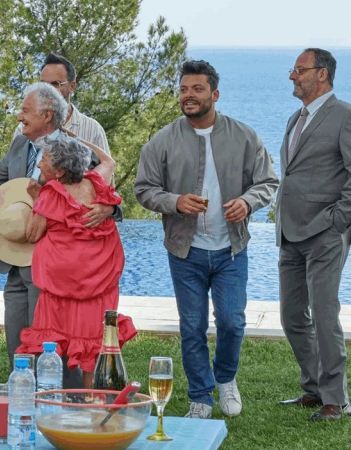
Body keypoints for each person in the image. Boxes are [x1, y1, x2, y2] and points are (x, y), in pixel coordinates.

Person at [0, 82, 115, 362]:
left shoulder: (72, 150)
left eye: (26, 110)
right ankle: (21, 393)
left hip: (51, 265)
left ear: (47, 115)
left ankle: (53, 397)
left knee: (49, 341)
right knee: (16, 339)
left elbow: (101, 193)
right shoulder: (20, 144)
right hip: (14, 256)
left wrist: (109, 211)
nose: (19, 116)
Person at [136, 60, 278, 418]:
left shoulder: (244, 136)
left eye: (197, 89)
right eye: (183, 89)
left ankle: (226, 379)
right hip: (186, 252)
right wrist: (174, 201)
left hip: (231, 249)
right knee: (192, 326)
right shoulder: (163, 140)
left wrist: (247, 202)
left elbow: (268, 183)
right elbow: (144, 189)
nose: (188, 96)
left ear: (214, 94)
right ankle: (200, 397)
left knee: (233, 321)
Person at [17, 136, 136, 387]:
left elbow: (32, 234)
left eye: (45, 161)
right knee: (94, 346)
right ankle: (94, 405)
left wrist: (35, 199)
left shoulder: (51, 194)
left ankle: (55, 404)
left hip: (60, 287)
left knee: (51, 348)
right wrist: (77, 143)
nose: (39, 166)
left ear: (59, 172)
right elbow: (108, 161)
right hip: (99, 283)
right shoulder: (97, 183)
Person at [275, 48, 351, 421]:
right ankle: (313, 388)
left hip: (325, 232)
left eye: (299, 70)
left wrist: (339, 219)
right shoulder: (295, 118)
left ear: (321, 74)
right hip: (289, 232)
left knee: (323, 314)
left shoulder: (345, 117)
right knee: (291, 315)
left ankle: (335, 399)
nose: (293, 75)